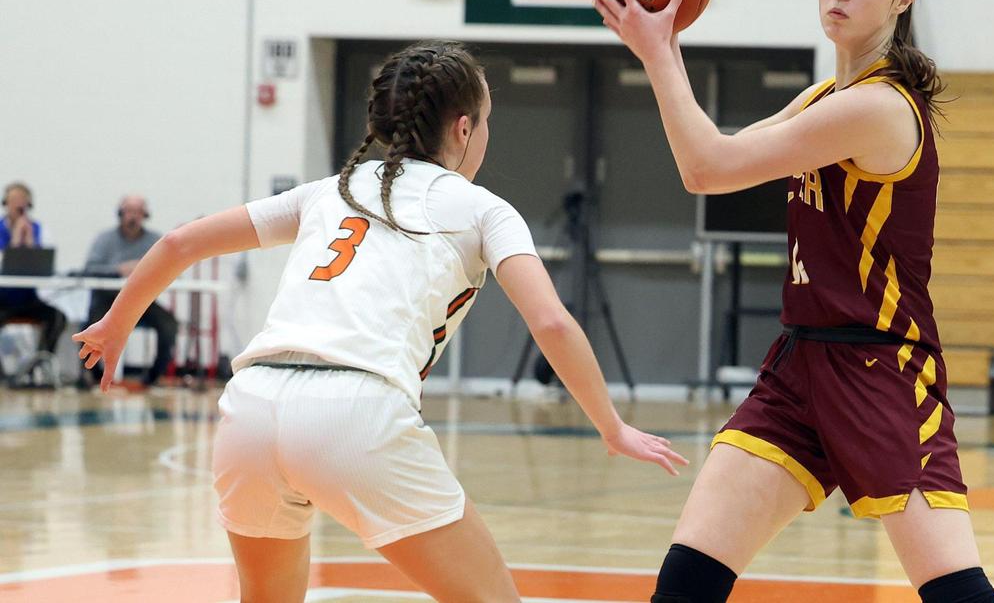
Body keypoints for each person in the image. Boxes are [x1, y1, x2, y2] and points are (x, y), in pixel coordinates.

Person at [75, 40, 688, 603]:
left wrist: (114, 324)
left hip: (252, 405)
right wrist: (610, 426)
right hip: (355, 408)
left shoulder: (327, 191)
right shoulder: (483, 208)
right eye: (488, 125)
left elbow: (182, 241)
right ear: (465, 127)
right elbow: (551, 324)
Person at [594, 0, 994, 603]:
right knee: (686, 580)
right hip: (799, 367)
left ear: (902, 0)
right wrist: (659, 51)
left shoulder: (879, 107)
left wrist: (659, 52)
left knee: (956, 593)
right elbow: (714, 154)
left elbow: (706, 167)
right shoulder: (824, 98)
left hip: (879, 369)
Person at [81, 195, 179, 388]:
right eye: (129, 212)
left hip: (141, 301)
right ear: (120, 214)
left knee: (169, 324)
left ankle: (151, 378)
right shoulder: (105, 239)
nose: (132, 217)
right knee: (90, 325)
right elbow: (89, 268)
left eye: (138, 212)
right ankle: (94, 376)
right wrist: (118, 270)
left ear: (145, 215)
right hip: (107, 300)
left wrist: (143, 270)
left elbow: (170, 267)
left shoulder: (155, 240)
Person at [0, 182, 67, 379]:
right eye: (14, 201)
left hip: (28, 298)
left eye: (23, 202)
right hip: (3, 298)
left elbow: (46, 268)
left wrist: (30, 244)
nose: (18, 206)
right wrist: (14, 241)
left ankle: (38, 364)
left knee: (57, 318)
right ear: (6, 203)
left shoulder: (39, 230)